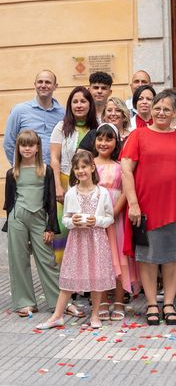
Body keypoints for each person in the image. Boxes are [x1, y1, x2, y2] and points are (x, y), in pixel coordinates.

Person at [121, 90, 176, 326]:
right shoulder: (138, 136)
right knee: (148, 257)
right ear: (150, 110)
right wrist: (132, 203)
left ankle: (170, 303)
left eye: (167, 109)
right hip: (145, 208)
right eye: (157, 108)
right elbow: (126, 170)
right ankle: (152, 303)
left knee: (173, 257)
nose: (161, 112)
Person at [36, 150, 115, 330]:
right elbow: (65, 219)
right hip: (77, 242)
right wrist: (73, 221)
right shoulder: (71, 193)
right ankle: (57, 316)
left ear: (92, 168)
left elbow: (110, 217)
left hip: (96, 241)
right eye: (77, 168)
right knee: (69, 279)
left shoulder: (102, 193)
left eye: (84, 167)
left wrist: (98, 221)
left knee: (96, 278)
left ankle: (95, 315)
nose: (80, 171)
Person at [3, 130, 60, 317]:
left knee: (47, 260)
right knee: (18, 260)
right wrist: (11, 221)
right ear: (18, 148)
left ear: (37, 147)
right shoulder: (12, 173)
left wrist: (51, 226)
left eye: (31, 145)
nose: (27, 148)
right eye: (23, 145)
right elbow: (9, 201)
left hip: (40, 218)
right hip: (18, 218)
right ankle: (24, 302)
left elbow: (51, 200)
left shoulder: (46, 170)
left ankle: (58, 301)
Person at [92, 123, 139, 322]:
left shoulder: (120, 166)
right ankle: (102, 300)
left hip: (115, 217)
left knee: (119, 259)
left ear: (116, 142)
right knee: (99, 260)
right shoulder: (89, 163)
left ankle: (119, 300)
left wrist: (113, 212)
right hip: (94, 218)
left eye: (108, 139)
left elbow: (125, 191)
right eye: (100, 139)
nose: (103, 143)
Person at [50, 86, 99, 263]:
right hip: (64, 182)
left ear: (90, 104)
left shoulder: (97, 127)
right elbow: (54, 158)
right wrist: (57, 186)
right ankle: (62, 277)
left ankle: (83, 281)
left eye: (83, 101)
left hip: (88, 186)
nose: (79, 105)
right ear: (70, 105)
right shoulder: (61, 127)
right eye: (75, 101)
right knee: (63, 229)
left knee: (85, 231)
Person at [4, 69, 64, 165]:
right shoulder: (19, 110)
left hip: (53, 172)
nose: (43, 85)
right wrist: (18, 166)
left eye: (48, 82)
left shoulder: (63, 114)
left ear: (55, 86)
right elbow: (9, 143)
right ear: (35, 85)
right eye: (40, 82)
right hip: (26, 171)